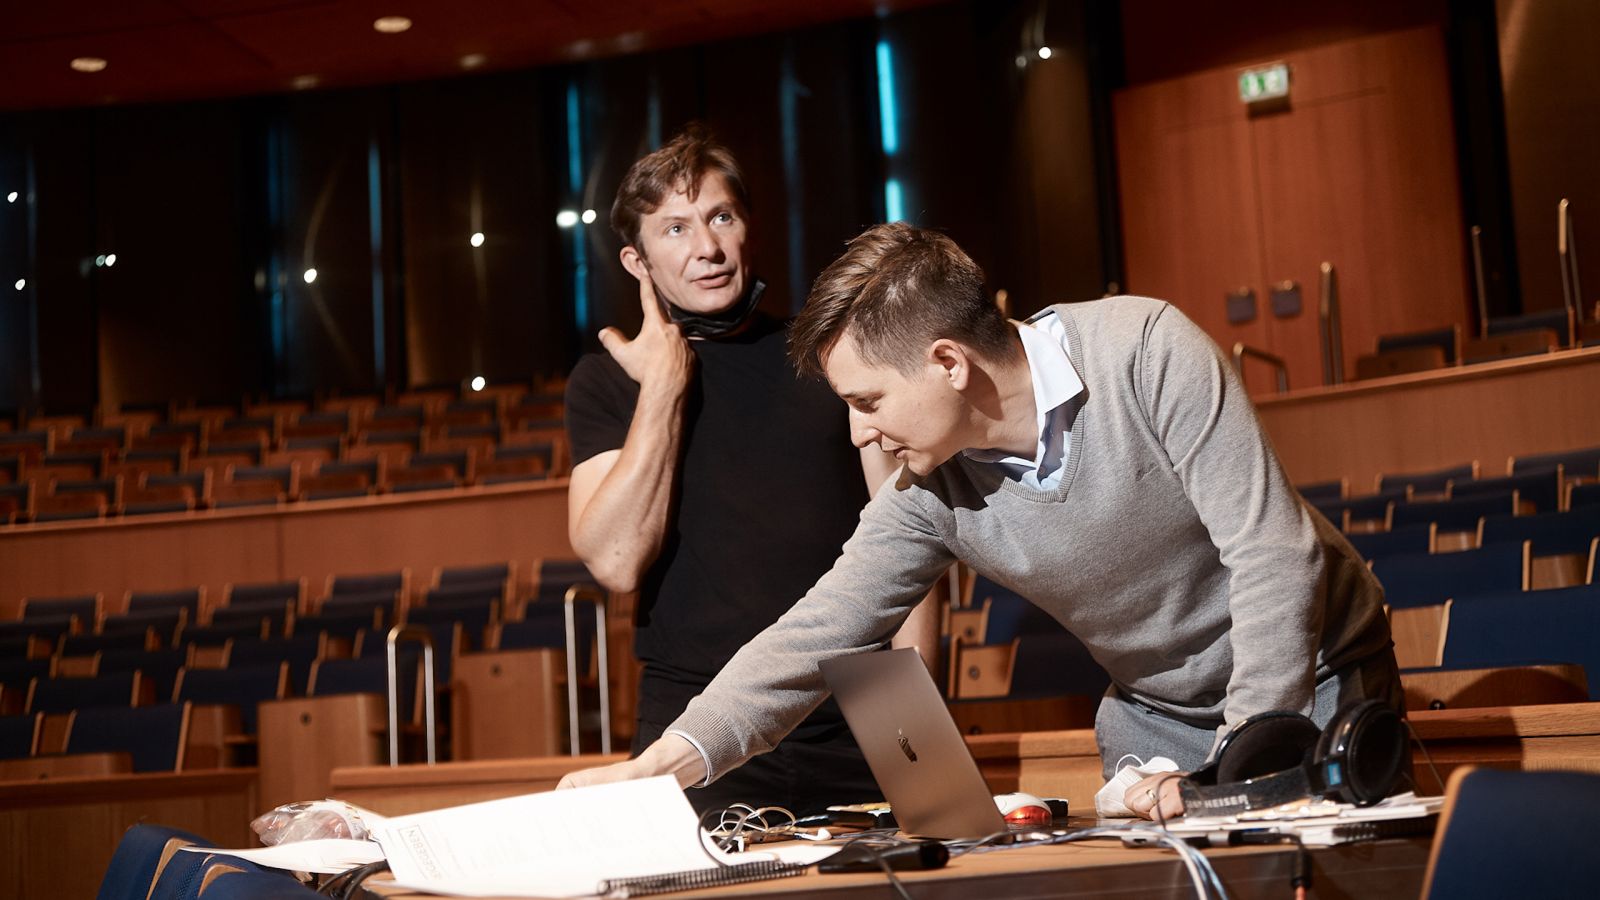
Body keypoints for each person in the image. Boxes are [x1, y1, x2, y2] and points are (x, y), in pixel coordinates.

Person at [561, 222, 1402, 821]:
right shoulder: (928, 491)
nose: (859, 431)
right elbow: (814, 632)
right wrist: (659, 766)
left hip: (1311, 674)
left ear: (949, 364)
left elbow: (1272, 554)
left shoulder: (1145, 348)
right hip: (1158, 718)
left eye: (867, 401)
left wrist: (1244, 763)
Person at [563, 128, 931, 815]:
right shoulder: (607, 383)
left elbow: (908, 529)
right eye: (674, 229)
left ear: (747, 228)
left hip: (865, 708)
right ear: (637, 262)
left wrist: (918, 710)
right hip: (694, 721)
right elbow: (615, 560)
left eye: (721, 217)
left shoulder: (831, 356)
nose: (706, 248)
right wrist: (666, 386)